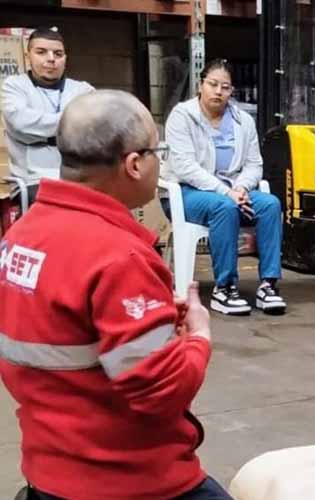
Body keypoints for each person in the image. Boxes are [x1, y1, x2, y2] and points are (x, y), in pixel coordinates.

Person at [0, 90, 231, 499]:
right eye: (158, 152)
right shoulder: (118, 255)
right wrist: (199, 336)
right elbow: (162, 392)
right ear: (135, 164)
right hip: (130, 477)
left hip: (49, 468)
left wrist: (152, 320)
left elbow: (64, 332)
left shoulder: (21, 236)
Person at [164, 59, 286, 316]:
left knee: (270, 204)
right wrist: (226, 192)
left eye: (226, 87)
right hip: (189, 192)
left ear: (232, 91)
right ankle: (225, 288)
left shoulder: (243, 120)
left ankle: (268, 285)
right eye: (213, 84)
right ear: (201, 85)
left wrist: (240, 188)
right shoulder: (182, 116)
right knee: (224, 207)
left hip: (233, 192)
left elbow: (254, 164)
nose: (219, 91)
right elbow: (185, 166)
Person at [0, 27, 94, 204]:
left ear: (65, 59)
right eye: (41, 52)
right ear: (28, 57)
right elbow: (21, 123)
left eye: (58, 54)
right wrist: (73, 124)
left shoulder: (82, 89)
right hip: (32, 180)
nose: (51, 58)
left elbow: (96, 126)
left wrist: (41, 129)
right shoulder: (15, 86)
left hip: (78, 177)